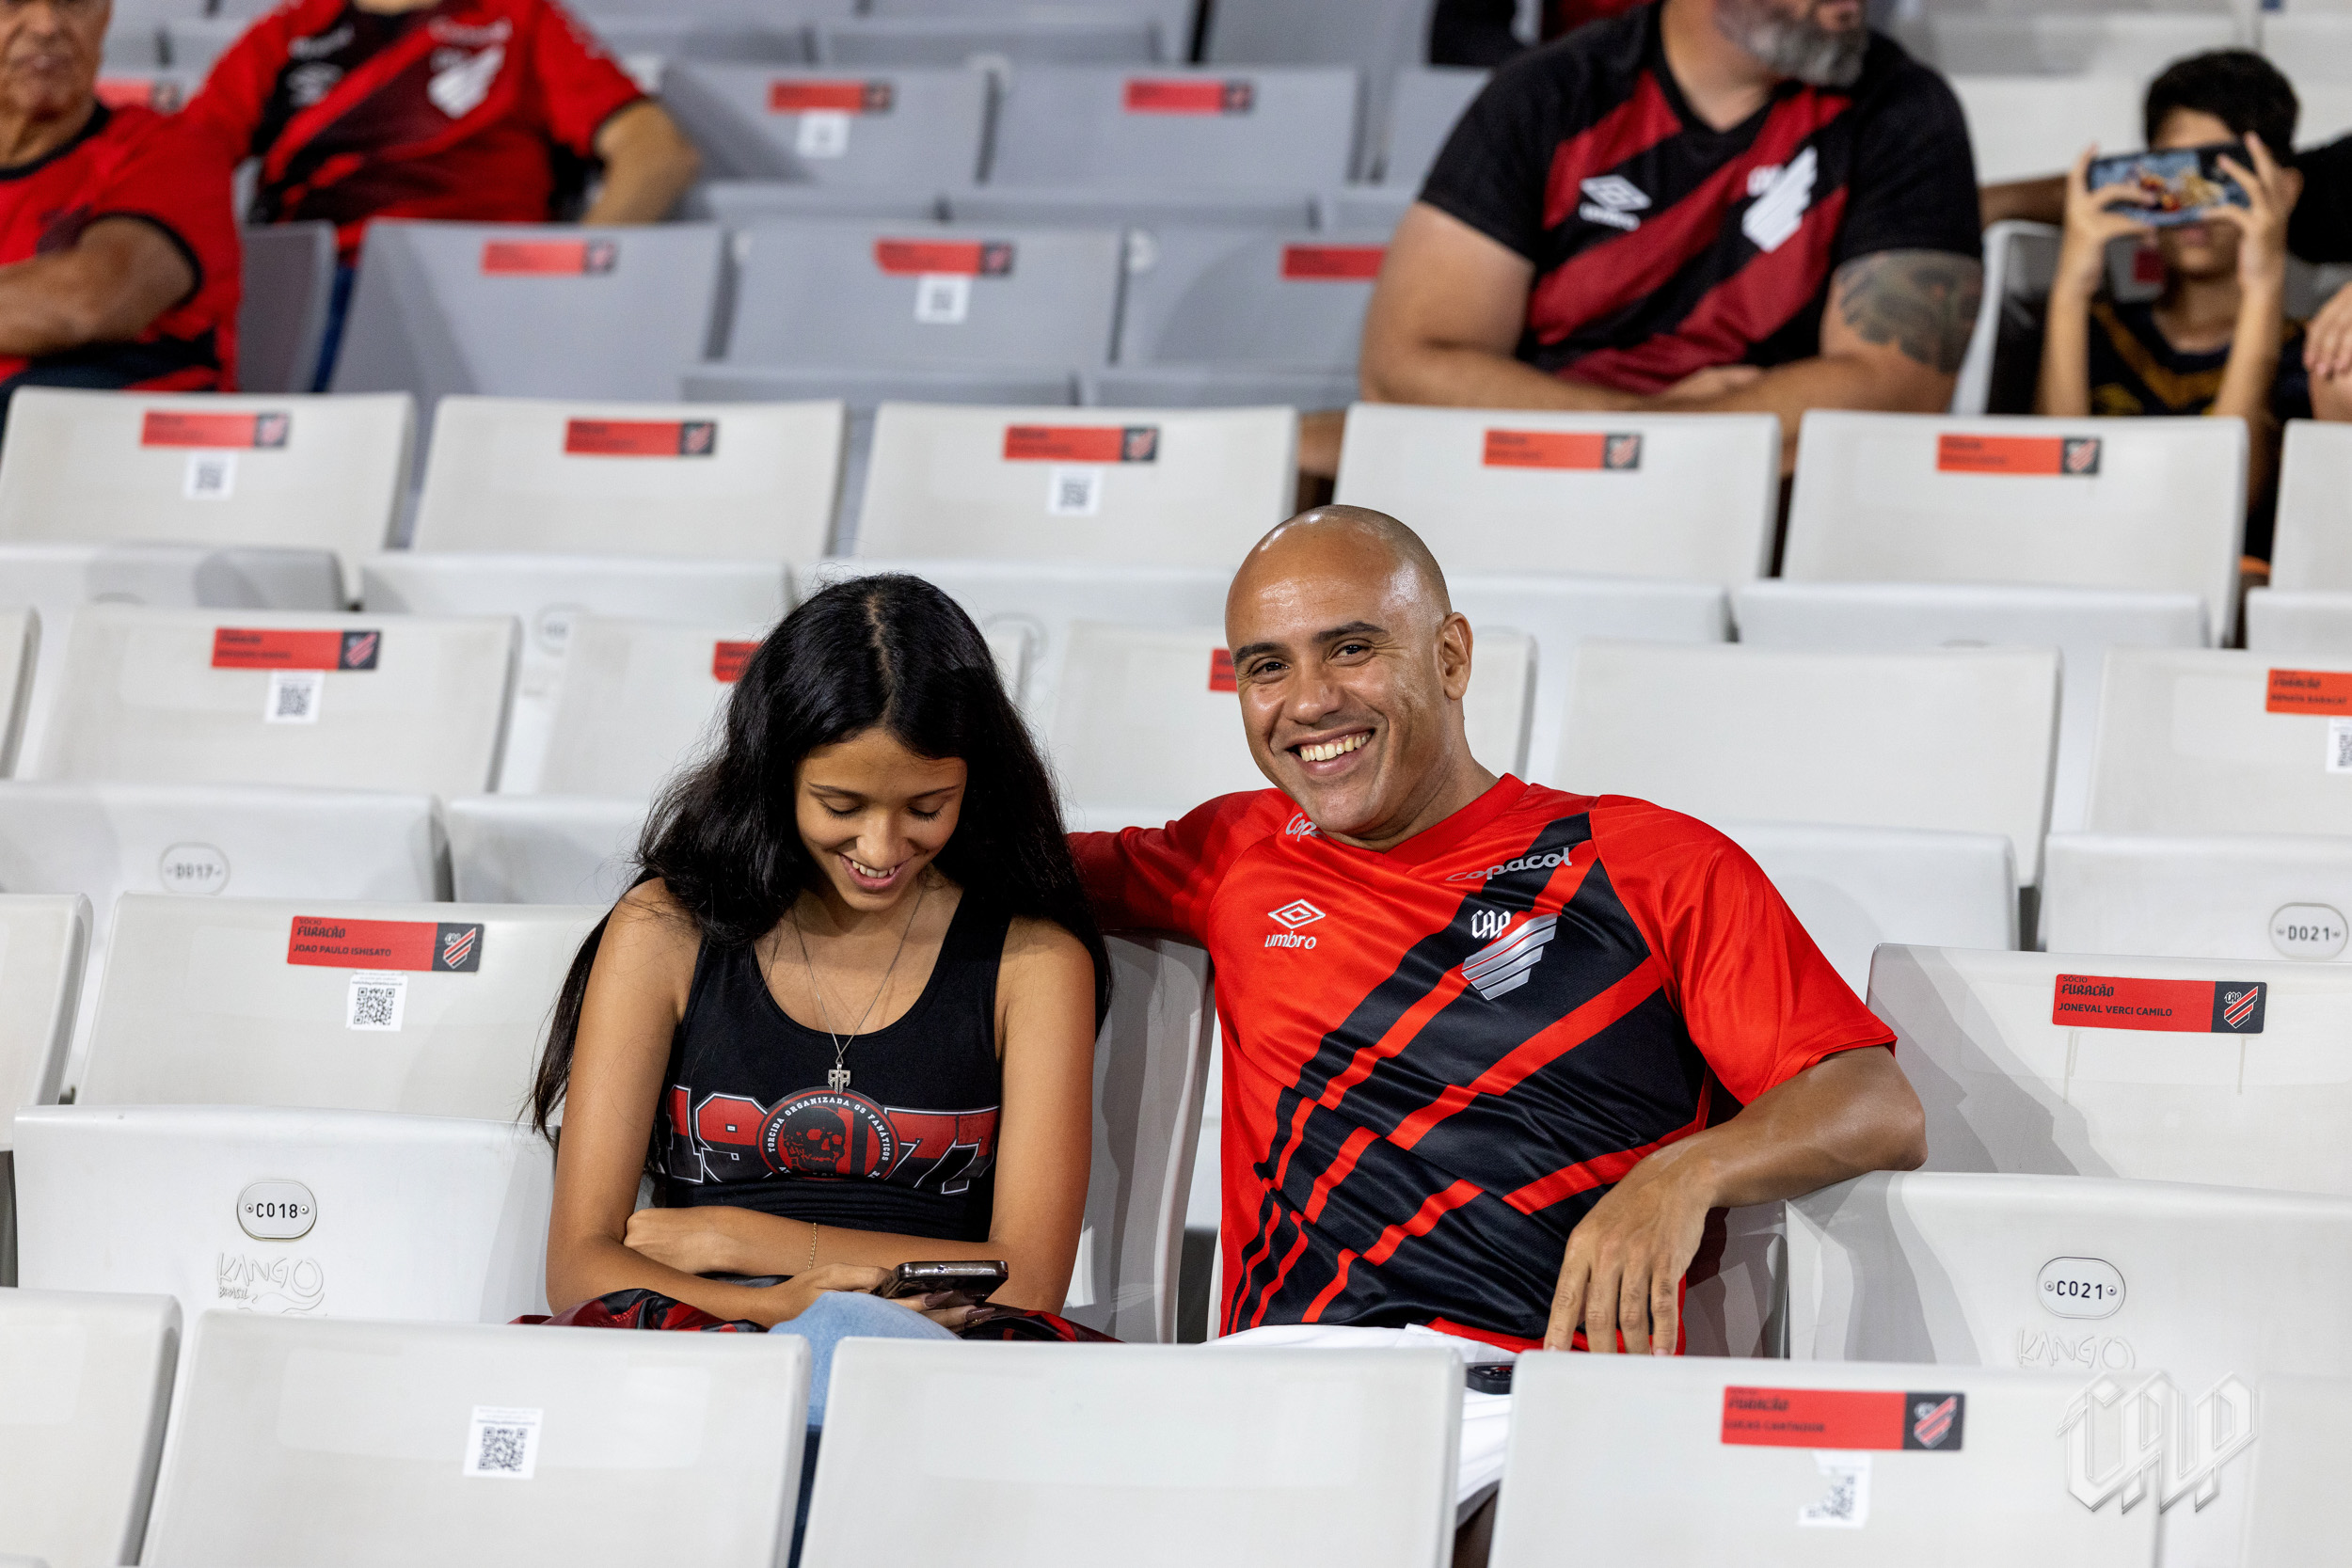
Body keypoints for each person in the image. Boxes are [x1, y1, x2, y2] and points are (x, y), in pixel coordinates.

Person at [1071, 505, 1926, 1538]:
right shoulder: (1236, 850)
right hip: (1270, 1390)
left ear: (1450, 655)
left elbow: (1869, 1099)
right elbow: (976, 855)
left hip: (1538, 1401)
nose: (1308, 700)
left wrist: (1685, 1172)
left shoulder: (1646, 860)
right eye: (1266, 667)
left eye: (1351, 648)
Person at [532, 576, 1105, 1544]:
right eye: (841, 804)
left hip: (935, 1350)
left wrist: (744, 1240)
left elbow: (1023, 1276)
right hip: (700, 1339)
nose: (883, 845)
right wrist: (776, 1308)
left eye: (927, 806)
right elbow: (579, 1263)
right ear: (774, 774)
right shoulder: (664, 927)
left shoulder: (1034, 957)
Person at [1361, 0, 1983, 468]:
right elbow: (1406, 365)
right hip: (1540, 479)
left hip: (1762, 497)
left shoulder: (1904, 109)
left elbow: (1894, 391)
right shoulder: (1547, 95)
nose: (1851, 6)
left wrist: (1655, 443)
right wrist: (1644, 426)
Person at [182, 0, 700, 385]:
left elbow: (655, 153)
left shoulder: (520, 18)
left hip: (473, 293)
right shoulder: (285, 33)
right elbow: (184, 164)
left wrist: (564, 278)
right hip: (309, 288)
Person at [2036, 53, 2320, 565]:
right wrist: (2070, 290)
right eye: (2170, 173)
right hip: (2089, 566)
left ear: (2284, 189)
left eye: (2219, 173)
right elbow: (2052, 492)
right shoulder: (2098, 330)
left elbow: (2226, 502)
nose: (2193, 198)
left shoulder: (2313, 354)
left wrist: (2264, 283)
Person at [0, 0, 241, 419]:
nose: (45, 25)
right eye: (14, 2)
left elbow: (90, 301)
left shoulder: (173, 151)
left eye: (74, 2)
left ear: (105, 16)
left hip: (110, 446)